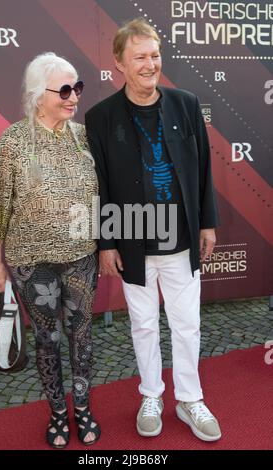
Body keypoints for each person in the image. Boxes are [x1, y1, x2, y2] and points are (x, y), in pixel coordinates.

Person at [85, 18, 221, 442]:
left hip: (181, 240)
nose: (150, 64)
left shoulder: (186, 104)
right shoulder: (100, 117)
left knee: (188, 324)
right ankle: (151, 394)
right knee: (143, 325)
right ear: (119, 64)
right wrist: (106, 242)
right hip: (132, 239)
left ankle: (190, 399)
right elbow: (100, 183)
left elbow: (202, 171)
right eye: (140, 57)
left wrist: (208, 223)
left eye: (155, 55)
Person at [0, 52, 100, 449]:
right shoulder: (13, 141)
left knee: (81, 335)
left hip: (82, 254)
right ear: (37, 94)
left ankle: (82, 407)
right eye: (64, 89)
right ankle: (57, 412)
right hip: (32, 260)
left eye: (77, 88)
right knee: (47, 338)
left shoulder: (85, 137)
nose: (73, 97)